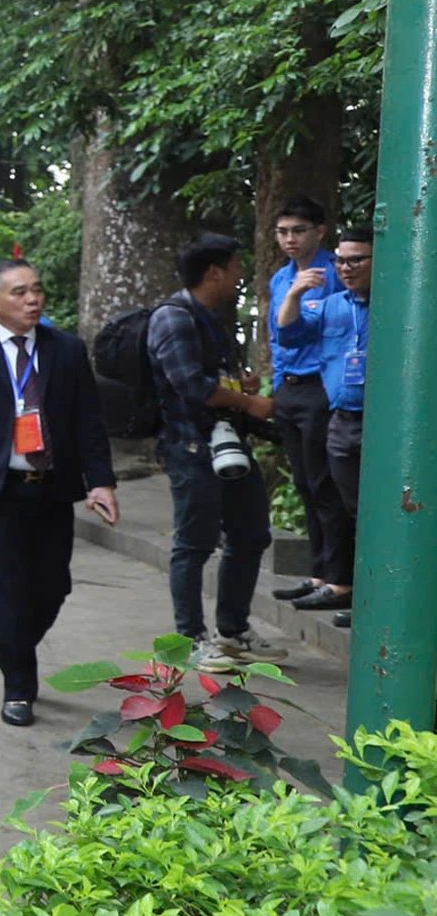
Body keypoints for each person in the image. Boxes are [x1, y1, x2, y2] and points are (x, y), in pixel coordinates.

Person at [0, 258, 119, 725]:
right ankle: (19, 687)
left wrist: (101, 481)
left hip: (51, 488)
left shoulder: (67, 350)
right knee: (10, 586)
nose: (33, 299)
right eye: (20, 292)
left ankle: (15, 644)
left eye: (37, 290)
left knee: (54, 585)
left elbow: (89, 423)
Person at [147, 232, 285, 669]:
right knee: (193, 544)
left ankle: (233, 630)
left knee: (251, 535)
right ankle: (189, 639)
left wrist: (237, 384)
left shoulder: (211, 317)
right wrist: (250, 402)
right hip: (191, 447)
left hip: (229, 444)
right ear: (214, 272)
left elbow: (210, 378)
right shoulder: (174, 318)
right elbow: (189, 384)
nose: (241, 276)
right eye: (237, 267)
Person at [273, 226, 370, 615]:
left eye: (356, 260)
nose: (345, 268)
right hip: (340, 419)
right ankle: (358, 594)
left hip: (382, 424)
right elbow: (289, 333)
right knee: (353, 510)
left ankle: (368, 596)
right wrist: (296, 292)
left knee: (379, 512)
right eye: (340, 260)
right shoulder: (332, 304)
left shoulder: (399, 304)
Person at [264, 197, 343, 605]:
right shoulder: (281, 278)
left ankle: (338, 579)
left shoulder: (334, 273)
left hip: (320, 387)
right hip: (290, 388)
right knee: (303, 484)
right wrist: (277, 389)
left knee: (324, 483)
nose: (290, 239)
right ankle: (316, 575)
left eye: (299, 230)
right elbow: (278, 342)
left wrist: (296, 297)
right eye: (283, 232)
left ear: (319, 231)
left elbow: (297, 332)